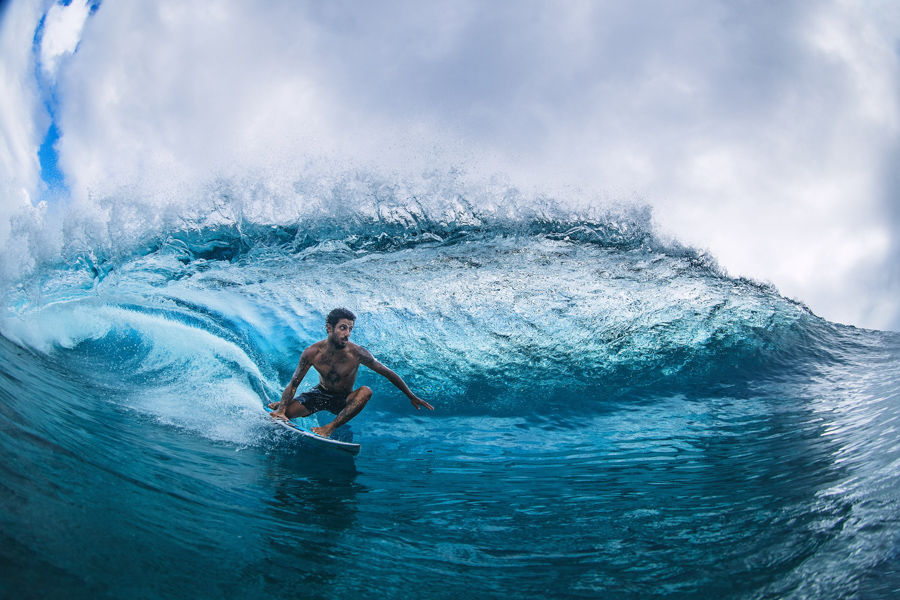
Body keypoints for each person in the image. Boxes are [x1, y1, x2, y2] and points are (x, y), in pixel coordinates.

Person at [268, 308, 434, 438]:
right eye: (343, 328)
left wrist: (410, 395)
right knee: (286, 414)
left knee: (366, 391)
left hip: (343, 399)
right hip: (319, 394)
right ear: (329, 328)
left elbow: (388, 373)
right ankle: (283, 404)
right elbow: (294, 383)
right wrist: (282, 411)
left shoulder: (357, 353)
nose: (347, 333)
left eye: (350, 329)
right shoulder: (311, 353)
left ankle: (328, 428)